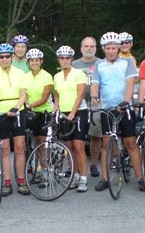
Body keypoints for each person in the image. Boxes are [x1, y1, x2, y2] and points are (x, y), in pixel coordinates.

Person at [90, 31, 145, 191]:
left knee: (130, 143)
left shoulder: (127, 63)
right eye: (108, 48)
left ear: (118, 48)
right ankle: (104, 178)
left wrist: (126, 101)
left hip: (125, 107)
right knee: (106, 143)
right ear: (104, 49)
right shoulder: (99, 65)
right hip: (107, 108)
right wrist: (94, 95)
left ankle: (140, 178)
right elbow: (95, 83)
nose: (111, 51)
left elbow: (130, 83)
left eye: (114, 48)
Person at [0, 43, 30, 196]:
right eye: (1, 57)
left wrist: (16, 108)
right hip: (1, 112)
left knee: (20, 147)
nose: (5, 59)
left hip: (18, 112)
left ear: (12, 57)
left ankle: (21, 181)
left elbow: (24, 95)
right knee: (5, 149)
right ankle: (7, 182)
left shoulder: (20, 73)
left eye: (8, 56)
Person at [53, 45, 89, 192]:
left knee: (79, 146)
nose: (65, 60)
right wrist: (56, 109)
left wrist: (73, 113)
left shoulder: (79, 73)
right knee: (68, 147)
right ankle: (74, 175)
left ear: (71, 59)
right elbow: (56, 94)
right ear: (59, 60)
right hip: (63, 112)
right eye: (62, 58)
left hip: (79, 111)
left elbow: (80, 95)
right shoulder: (56, 76)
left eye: (67, 58)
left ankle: (83, 178)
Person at [72, 37, 102, 177]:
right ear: (81, 48)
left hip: (97, 103)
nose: (89, 48)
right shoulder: (74, 65)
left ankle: (94, 164)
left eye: (92, 46)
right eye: (86, 46)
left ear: (95, 48)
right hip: (79, 103)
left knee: (96, 135)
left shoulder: (102, 64)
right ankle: (77, 165)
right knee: (78, 136)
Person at [24, 48, 54, 187]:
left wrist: (30, 105)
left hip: (45, 112)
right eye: (32, 60)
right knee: (35, 143)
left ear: (41, 62)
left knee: (43, 143)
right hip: (32, 113)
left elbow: (44, 98)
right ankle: (40, 171)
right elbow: (23, 95)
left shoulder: (47, 76)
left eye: (37, 60)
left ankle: (46, 174)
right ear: (28, 62)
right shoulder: (25, 76)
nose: (34, 63)